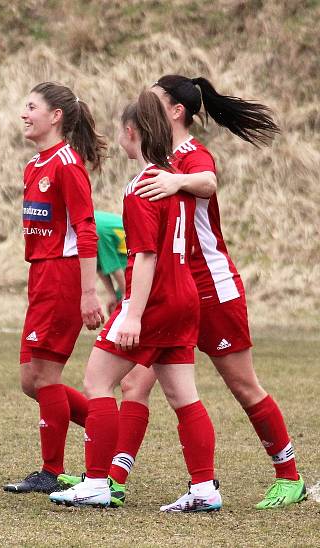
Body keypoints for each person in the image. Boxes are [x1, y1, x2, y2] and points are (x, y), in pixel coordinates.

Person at [104, 74, 305, 510]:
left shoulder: (192, 157)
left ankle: (289, 476)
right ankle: (112, 480)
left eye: (154, 100)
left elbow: (209, 183)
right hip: (170, 291)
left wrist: (178, 182)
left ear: (176, 111)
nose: (144, 105)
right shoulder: (157, 158)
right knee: (135, 382)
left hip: (211, 287)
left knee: (242, 385)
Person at [50, 90, 221, 512]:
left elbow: (144, 256)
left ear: (132, 133)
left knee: (97, 380)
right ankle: (204, 489)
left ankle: (95, 482)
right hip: (185, 297)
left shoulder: (142, 186)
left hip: (157, 300)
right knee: (184, 395)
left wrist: (133, 314)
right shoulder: (172, 177)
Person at [2, 82, 106, 495]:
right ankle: (107, 429)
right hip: (41, 275)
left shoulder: (67, 164)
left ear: (56, 116)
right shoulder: (34, 165)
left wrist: (88, 292)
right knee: (32, 379)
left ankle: (52, 471)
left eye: (32, 107)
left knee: (45, 375)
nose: (24, 114)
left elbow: (85, 229)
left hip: (62, 277)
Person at [94, 210, 127, 314]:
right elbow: (98, 265)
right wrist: (111, 294)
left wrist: (125, 295)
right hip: (124, 259)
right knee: (117, 300)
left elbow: (113, 266)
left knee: (125, 299)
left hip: (137, 256)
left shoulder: (97, 229)